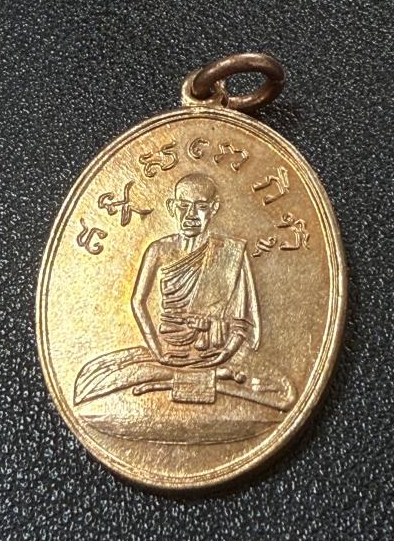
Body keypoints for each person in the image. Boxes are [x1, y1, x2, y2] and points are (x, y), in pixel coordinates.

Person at [74, 172, 295, 411]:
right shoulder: (159, 249)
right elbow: (138, 301)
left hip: (216, 352)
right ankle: (206, 378)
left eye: (201, 207)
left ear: (213, 208)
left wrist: (227, 352)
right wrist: (157, 351)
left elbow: (242, 318)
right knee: (96, 382)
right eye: (183, 206)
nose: (190, 215)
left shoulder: (230, 252)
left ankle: (199, 377)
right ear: (172, 207)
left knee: (285, 393)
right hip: (169, 351)